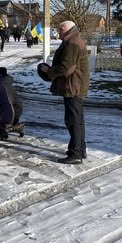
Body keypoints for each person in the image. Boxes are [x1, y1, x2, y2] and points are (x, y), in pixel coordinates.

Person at [38, 20, 90, 164]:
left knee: (73, 121)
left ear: (65, 30)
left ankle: (75, 154)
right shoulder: (73, 40)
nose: (57, 33)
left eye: (59, 30)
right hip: (75, 85)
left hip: (73, 86)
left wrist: (49, 72)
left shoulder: (72, 43)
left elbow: (66, 68)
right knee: (77, 120)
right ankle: (80, 150)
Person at [0, 67, 25, 136]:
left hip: (13, 111)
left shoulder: (4, 85)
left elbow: (7, 104)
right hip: (13, 110)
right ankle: (11, 126)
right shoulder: (4, 83)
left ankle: (10, 127)